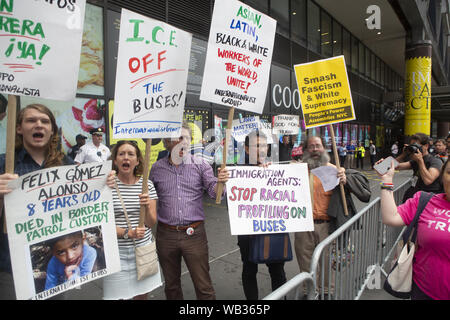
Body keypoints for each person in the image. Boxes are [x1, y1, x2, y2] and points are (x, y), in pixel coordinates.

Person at [0, 104, 115, 299]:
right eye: (31, 120)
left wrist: (103, 183)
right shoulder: (4, 164)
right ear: (19, 128)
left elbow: (83, 202)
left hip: (58, 268)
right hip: (11, 269)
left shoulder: (65, 164)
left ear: (52, 130)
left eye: (44, 121)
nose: (39, 125)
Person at [149, 122, 229, 300]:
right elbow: (147, 196)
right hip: (166, 235)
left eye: (184, 137)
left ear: (190, 141)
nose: (180, 142)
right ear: (166, 143)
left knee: (204, 287)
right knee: (171, 287)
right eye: (175, 138)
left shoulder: (201, 166)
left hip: (194, 235)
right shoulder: (156, 169)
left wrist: (220, 182)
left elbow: (214, 192)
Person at [294, 136, 371, 298]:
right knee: (305, 262)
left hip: (327, 226)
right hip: (303, 225)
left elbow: (361, 194)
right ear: (306, 150)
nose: (315, 149)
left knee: (328, 263)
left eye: (318, 145)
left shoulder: (336, 171)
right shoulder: (296, 171)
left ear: (324, 148)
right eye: (311, 146)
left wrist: (346, 180)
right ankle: (309, 292)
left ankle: (326, 293)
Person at [376, 158, 450, 300]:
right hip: (424, 292)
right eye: (449, 172)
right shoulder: (425, 201)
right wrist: (386, 180)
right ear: (442, 176)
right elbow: (391, 217)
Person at [103, 140, 158, 300]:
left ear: (138, 160)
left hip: (142, 252)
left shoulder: (147, 185)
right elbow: (102, 225)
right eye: (121, 154)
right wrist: (128, 233)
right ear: (115, 160)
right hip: (116, 255)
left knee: (141, 298)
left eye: (130, 154)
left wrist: (147, 205)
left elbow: (151, 222)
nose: (126, 158)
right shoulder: (106, 186)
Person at [237, 129, 287, 300]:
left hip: (273, 230)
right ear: (247, 149)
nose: (262, 149)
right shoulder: (237, 171)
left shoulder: (277, 169)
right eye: (257, 145)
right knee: (249, 270)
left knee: (277, 270)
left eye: (264, 145)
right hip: (248, 233)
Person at [395, 133, 443, 201]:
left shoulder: (435, 161)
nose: (415, 148)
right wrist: (403, 154)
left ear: (426, 146)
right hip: (415, 197)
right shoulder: (415, 161)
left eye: (416, 146)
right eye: (412, 146)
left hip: (429, 199)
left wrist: (420, 161)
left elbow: (428, 180)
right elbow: (395, 167)